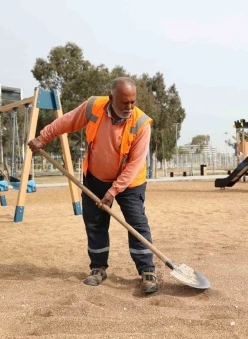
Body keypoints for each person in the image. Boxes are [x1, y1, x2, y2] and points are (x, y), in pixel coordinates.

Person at [27, 77, 158, 294]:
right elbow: (67, 121)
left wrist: (114, 191)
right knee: (95, 224)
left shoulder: (141, 123)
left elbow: (135, 164)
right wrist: (43, 137)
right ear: (111, 98)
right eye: (124, 102)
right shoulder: (94, 106)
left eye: (133, 102)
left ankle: (147, 271)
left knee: (136, 224)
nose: (129, 107)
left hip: (129, 183)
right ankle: (98, 268)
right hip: (95, 177)